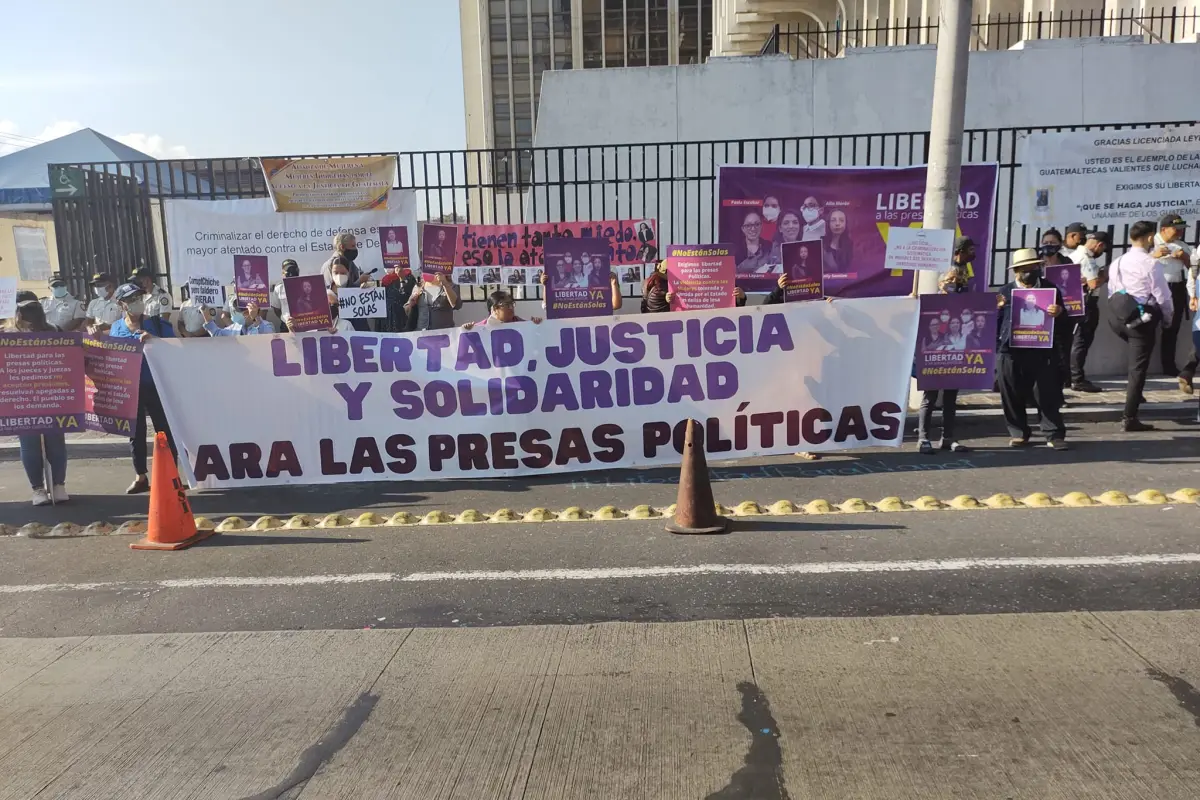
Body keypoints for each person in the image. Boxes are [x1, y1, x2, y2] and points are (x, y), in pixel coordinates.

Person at [108, 282, 177, 493]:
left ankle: (171, 474)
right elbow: (111, 356)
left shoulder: (157, 325)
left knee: (164, 430)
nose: (136, 303)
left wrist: (155, 340)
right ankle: (141, 476)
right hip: (131, 388)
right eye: (130, 300)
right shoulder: (116, 328)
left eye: (138, 298)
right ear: (121, 304)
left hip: (157, 386)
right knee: (135, 433)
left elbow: (178, 351)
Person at [996, 248, 1068, 450]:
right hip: (1011, 350)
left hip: (1042, 349)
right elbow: (995, 322)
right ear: (1016, 272)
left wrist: (1059, 312)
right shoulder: (1005, 292)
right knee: (1011, 391)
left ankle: (1053, 433)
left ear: (1039, 267)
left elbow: (1066, 322)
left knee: (1046, 392)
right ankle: (1019, 432)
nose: (1028, 272)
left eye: (1031, 267)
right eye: (1023, 269)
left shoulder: (1050, 290)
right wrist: (997, 311)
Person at [1109, 220, 1174, 432]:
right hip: (1142, 321)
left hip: (1117, 319)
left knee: (1137, 365)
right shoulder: (1151, 263)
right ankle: (1129, 417)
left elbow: (1113, 291)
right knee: (1137, 370)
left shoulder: (1117, 262)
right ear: (1149, 238)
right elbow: (1163, 297)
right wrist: (1167, 319)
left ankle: (1135, 394)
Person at [5, 300, 70, 505]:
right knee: (43, 442)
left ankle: (48, 488)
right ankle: (49, 487)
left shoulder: (12, 336)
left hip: (37, 397)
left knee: (40, 443)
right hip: (39, 396)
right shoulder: (9, 336)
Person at [916, 262, 972, 455]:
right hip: (934, 356)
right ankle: (923, 438)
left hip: (955, 356)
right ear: (940, 282)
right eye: (949, 279)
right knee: (929, 398)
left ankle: (948, 438)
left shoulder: (966, 304)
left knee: (950, 399)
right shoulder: (930, 303)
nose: (954, 283)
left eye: (958, 279)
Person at [1154, 212, 1196, 389]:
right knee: (1148, 327)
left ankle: (1168, 365)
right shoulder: (1151, 243)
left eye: (1181, 230)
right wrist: (1154, 256)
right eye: (1176, 229)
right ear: (1164, 229)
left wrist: (1184, 257)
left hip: (1177, 287)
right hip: (1155, 288)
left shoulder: (1182, 245)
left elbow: (1194, 267)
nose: (1179, 233)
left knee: (1172, 327)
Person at [1067, 230, 1109, 393]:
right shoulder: (1087, 259)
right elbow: (1093, 284)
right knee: (1081, 341)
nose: (1101, 252)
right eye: (1103, 249)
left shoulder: (1075, 255)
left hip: (1075, 302)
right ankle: (1077, 379)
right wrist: (1105, 275)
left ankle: (1070, 376)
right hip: (1087, 303)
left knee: (1075, 341)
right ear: (1099, 245)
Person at [1037, 229, 1075, 390]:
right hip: (1040, 315)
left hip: (1062, 316)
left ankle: (1058, 392)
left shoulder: (1067, 263)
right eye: (1045, 243)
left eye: (1052, 243)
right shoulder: (1036, 263)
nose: (1049, 246)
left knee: (1061, 356)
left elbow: (1073, 289)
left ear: (1060, 244)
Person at [327, 256, 372, 332]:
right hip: (334, 337)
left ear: (348, 272)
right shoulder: (325, 293)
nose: (339, 276)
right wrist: (326, 328)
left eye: (343, 273)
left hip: (359, 334)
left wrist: (368, 290)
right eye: (336, 272)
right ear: (331, 273)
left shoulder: (358, 290)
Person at [462, 290, 543, 329]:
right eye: (507, 305)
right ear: (494, 309)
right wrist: (467, 331)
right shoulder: (480, 328)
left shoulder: (521, 324)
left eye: (512, 304)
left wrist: (536, 325)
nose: (511, 308)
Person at [202, 299, 274, 335]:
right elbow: (217, 334)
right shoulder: (235, 328)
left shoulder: (267, 325)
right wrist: (205, 314)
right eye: (236, 310)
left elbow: (267, 334)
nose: (242, 314)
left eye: (245, 312)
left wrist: (255, 319)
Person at [380, 264, 417, 333]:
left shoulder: (409, 276)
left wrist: (402, 278)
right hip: (389, 317)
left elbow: (408, 293)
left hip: (402, 315)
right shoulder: (385, 280)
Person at [271, 259, 299, 332]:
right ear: (283, 273)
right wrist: (285, 318)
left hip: (304, 324)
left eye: (293, 270)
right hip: (286, 325)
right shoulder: (279, 288)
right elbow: (276, 309)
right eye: (288, 271)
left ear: (298, 270)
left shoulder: (305, 285)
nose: (291, 273)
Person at [823, 209, 853, 273]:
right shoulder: (820, 244)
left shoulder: (850, 245)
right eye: (833, 220)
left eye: (841, 220)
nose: (837, 223)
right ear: (828, 223)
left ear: (846, 224)